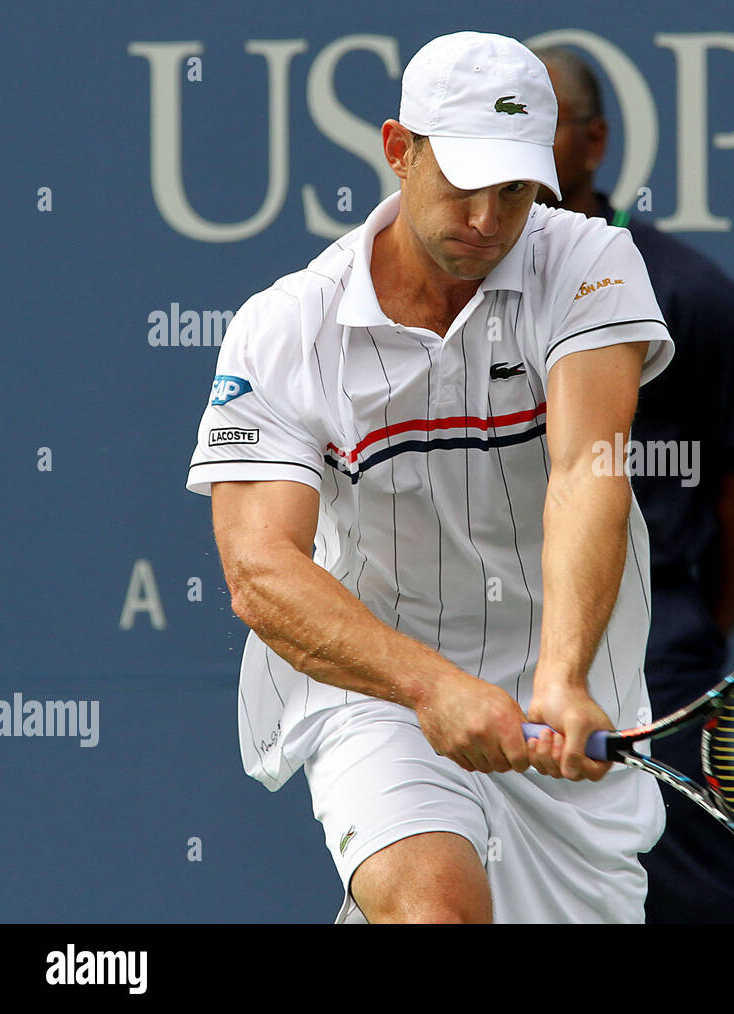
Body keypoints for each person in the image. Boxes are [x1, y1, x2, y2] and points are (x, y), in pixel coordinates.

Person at [186, 31, 674, 924]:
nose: (489, 219)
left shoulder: (590, 262)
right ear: (399, 152)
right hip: (377, 692)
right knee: (436, 911)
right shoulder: (287, 327)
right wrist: (428, 687)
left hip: (559, 709)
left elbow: (586, 471)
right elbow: (259, 571)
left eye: (517, 191)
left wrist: (562, 677)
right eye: (464, 183)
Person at [533, 47, 734, 924]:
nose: (516, 147)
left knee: (692, 894)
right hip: (481, 640)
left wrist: (686, 624)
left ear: (594, 142)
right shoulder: (451, 295)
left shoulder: (692, 296)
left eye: (542, 120)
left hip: (656, 646)